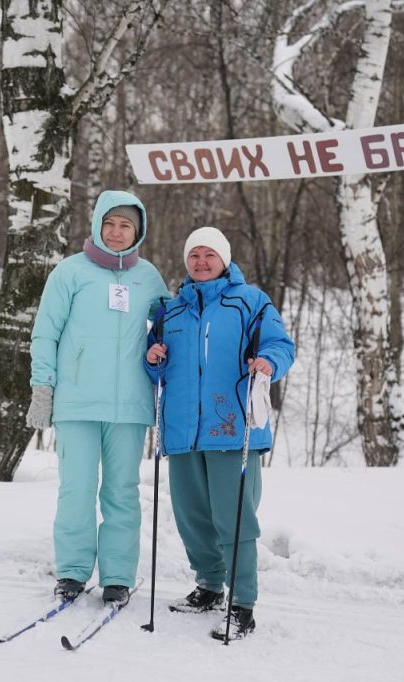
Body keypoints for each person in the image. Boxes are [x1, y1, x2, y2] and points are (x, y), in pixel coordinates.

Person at [144, 226, 295, 640]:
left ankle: (242, 603)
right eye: (194, 255)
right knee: (192, 517)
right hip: (182, 431)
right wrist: (152, 356)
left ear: (225, 259)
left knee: (234, 520)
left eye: (210, 255)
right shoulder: (171, 311)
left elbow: (282, 346)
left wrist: (268, 362)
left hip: (231, 429)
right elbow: (155, 365)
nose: (201, 262)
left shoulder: (250, 302)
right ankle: (209, 587)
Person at [27, 190, 168, 606]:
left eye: (126, 225)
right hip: (77, 402)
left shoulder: (149, 278)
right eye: (110, 223)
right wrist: (43, 388)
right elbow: (45, 332)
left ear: (138, 230)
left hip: (130, 408)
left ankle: (118, 576)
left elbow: (168, 334)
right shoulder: (71, 272)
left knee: (122, 492)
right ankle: (71, 572)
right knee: (76, 489)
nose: (117, 232)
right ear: (96, 225)